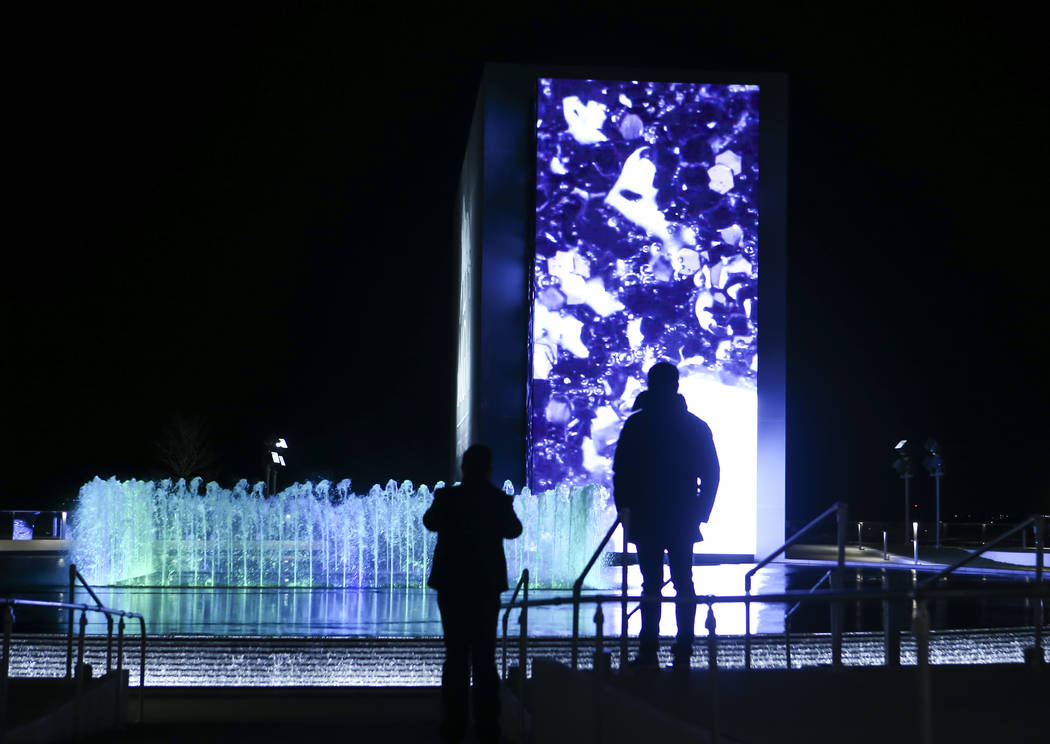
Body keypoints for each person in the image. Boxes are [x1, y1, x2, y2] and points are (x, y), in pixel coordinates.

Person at [612, 361, 720, 670]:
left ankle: (649, 649)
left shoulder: (637, 425)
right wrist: (699, 512)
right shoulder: (694, 426)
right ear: (676, 385)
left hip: (647, 516)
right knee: (683, 581)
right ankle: (684, 647)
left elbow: (621, 473)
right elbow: (711, 474)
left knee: (651, 584)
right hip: (681, 516)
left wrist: (625, 511)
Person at [424, 444, 523, 744]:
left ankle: (453, 726)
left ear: (464, 468)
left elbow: (430, 522)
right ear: (489, 469)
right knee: (484, 657)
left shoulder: (448, 497)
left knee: (455, 655)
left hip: (452, 585)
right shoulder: (496, 499)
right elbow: (514, 530)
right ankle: (487, 726)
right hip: (485, 586)